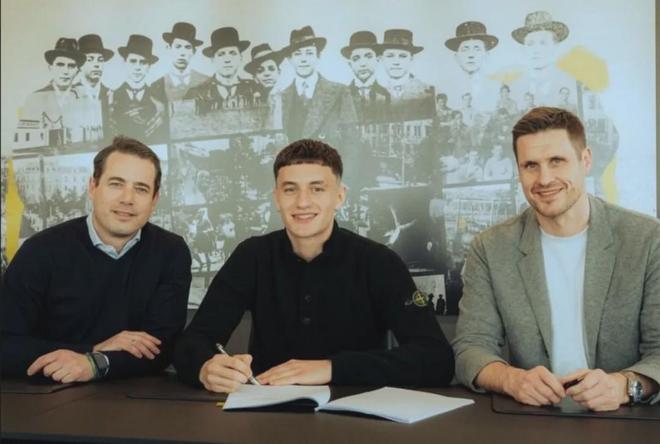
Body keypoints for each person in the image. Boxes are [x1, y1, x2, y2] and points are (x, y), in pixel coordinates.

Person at [173, 139, 454, 392]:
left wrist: (332, 368)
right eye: (290, 190)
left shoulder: (379, 261)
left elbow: (436, 358)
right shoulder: (252, 255)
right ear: (276, 198)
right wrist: (205, 367)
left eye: (317, 189)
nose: (303, 202)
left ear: (340, 196)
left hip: (356, 412)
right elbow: (193, 341)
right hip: (267, 410)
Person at [453, 107, 660, 410]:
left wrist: (623, 386)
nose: (544, 178)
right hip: (533, 418)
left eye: (557, 161)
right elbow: (470, 348)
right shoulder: (490, 247)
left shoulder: (647, 239)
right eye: (530, 165)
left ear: (585, 160)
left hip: (624, 418)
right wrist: (512, 379)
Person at [2, 136, 191, 382]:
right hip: (46, 393)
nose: (127, 198)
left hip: (135, 395)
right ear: (93, 187)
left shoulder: (171, 252)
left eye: (141, 189)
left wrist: (95, 363)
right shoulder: (40, 251)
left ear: (154, 200)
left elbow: (159, 349)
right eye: (116, 184)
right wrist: (92, 351)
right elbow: (5, 345)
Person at [21, 37, 86, 145]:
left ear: (77, 71)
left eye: (71, 66)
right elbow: (25, 141)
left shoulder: (84, 99)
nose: (65, 71)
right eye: (60, 65)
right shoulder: (34, 99)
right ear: (51, 68)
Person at [109, 34, 168, 143]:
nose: (137, 67)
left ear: (149, 66)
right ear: (124, 62)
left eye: (143, 62)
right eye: (133, 61)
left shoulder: (159, 99)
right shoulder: (111, 97)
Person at [185, 27, 257, 115]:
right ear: (213, 59)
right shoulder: (197, 93)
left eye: (232, 53)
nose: (227, 60)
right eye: (221, 54)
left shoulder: (253, 88)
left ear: (240, 57)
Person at [444, 21, 500, 112]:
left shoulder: (498, 88)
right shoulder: (445, 90)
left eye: (477, 49)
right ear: (456, 57)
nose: (471, 55)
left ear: (487, 55)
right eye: (465, 49)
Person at [151, 22, 208, 103]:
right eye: (178, 47)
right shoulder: (157, 87)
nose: (182, 53)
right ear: (168, 48)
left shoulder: (205, 82)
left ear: (194, 51)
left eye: (187, 47)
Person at [341, 30, 390, 123]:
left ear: (377, 59)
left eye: (368, 57)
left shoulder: (387, 94)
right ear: (350, 64)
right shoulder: (342, 96)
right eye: (356, 59)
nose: (363, 64)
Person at [72, 34, 114, 142]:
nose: (97, 65)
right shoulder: (71, 94)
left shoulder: (112, 95)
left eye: (100, 60)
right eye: (90, 59)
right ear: (80, 65)